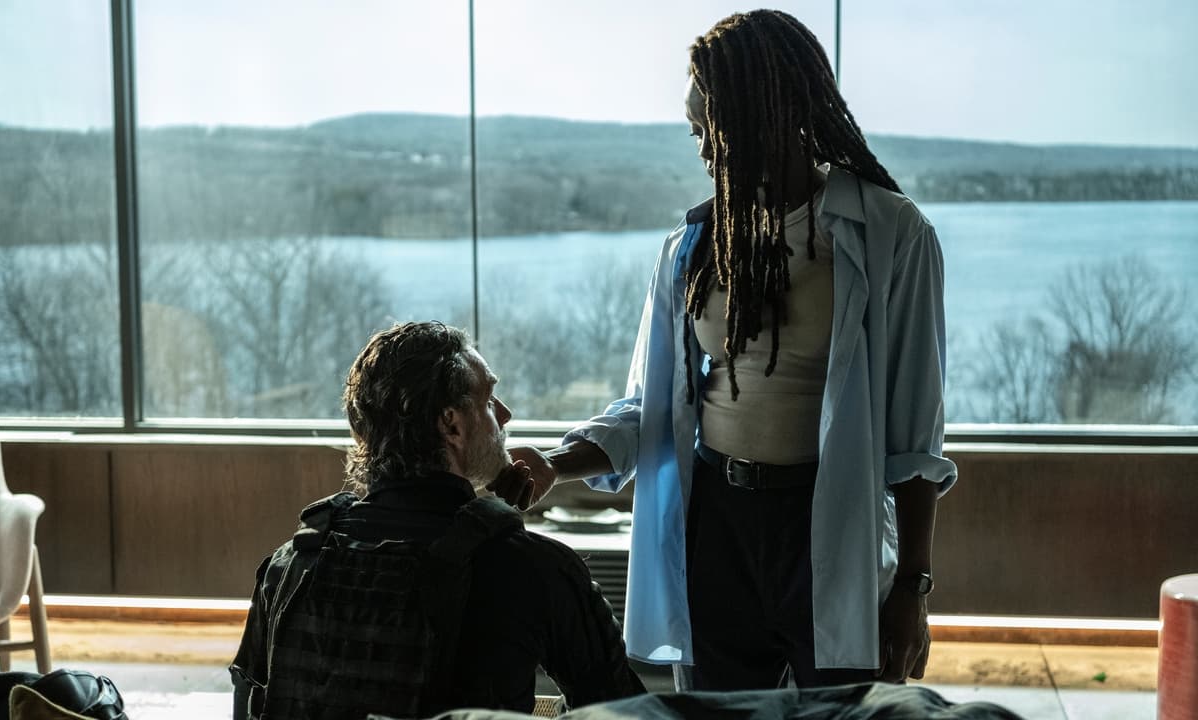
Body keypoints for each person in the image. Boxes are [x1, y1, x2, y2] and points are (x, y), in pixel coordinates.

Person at [502, 9, 957, 692]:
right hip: (718, 521)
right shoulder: (694, 246)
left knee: (842, 709)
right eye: (695, 132)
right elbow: (650, 409)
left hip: (828, 524)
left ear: (770, 114)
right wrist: (554, 465)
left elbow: (915, 436)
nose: (704, 152)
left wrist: (913, 589)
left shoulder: (889, 233)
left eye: (711, 129)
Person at [230, 322, 644, 718]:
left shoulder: (290, 566)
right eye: (488, 400)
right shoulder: (532, 568)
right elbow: (626, 714)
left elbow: (249, 708)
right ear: (451, 425)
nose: (505, 415)